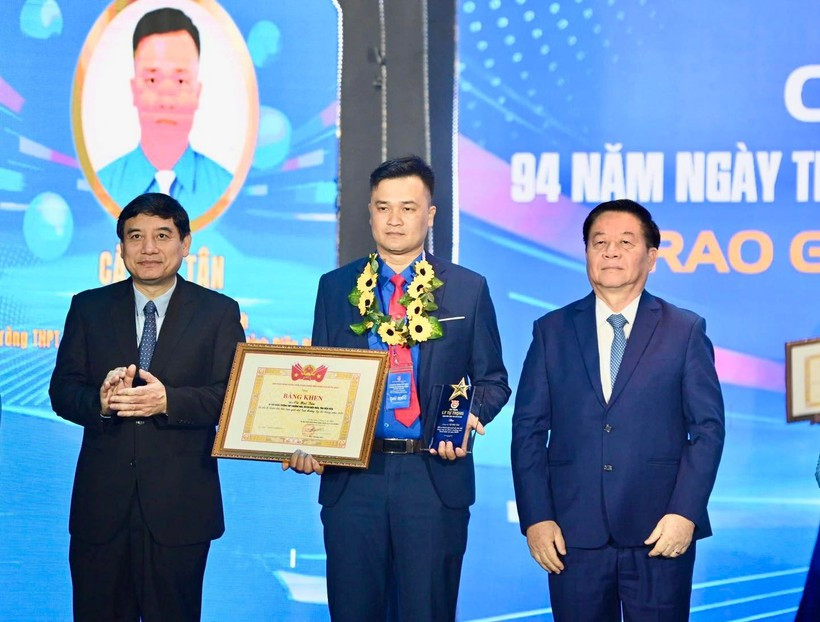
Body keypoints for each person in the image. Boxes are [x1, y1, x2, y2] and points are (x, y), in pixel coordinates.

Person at [284, 155, 511, 621]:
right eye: (382, 207)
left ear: (430, 215)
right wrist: (306, 438)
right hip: (354, 480)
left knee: (426, 611)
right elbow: (321, 378)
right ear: (369, 213)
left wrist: (472, 416)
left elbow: (493, 381)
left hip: (432, 478)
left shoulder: (467, 289)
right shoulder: (335, 287)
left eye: (408, 208)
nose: (394, 219)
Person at [511, 199, 725, 621]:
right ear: (587, 252)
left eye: (625, 242)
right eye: (599, 242)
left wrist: (685, 513)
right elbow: (528, 432)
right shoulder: (552, 331)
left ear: (651, 258)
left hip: (659, 531)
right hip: (572, 537)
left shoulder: (684, 330)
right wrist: (536, 518)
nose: (610, 251)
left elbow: (707, 431)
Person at [49, 193, 245, 621]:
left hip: (180, 509)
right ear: (121, 247)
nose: (148, 248)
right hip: (101, 510)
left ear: (185, 243)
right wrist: (98, 402)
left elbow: (232, 396)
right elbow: (63, 390)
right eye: (135, 237)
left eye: (162, 236)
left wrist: (168, 401)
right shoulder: (89, 307)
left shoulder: (218, 313)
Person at [97, 8, 231, 221]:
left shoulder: (227, 191)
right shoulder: (100, 187)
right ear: (134, 90)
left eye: (180, 81)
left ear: (197, 93)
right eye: (152, 80)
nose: (166, 99)